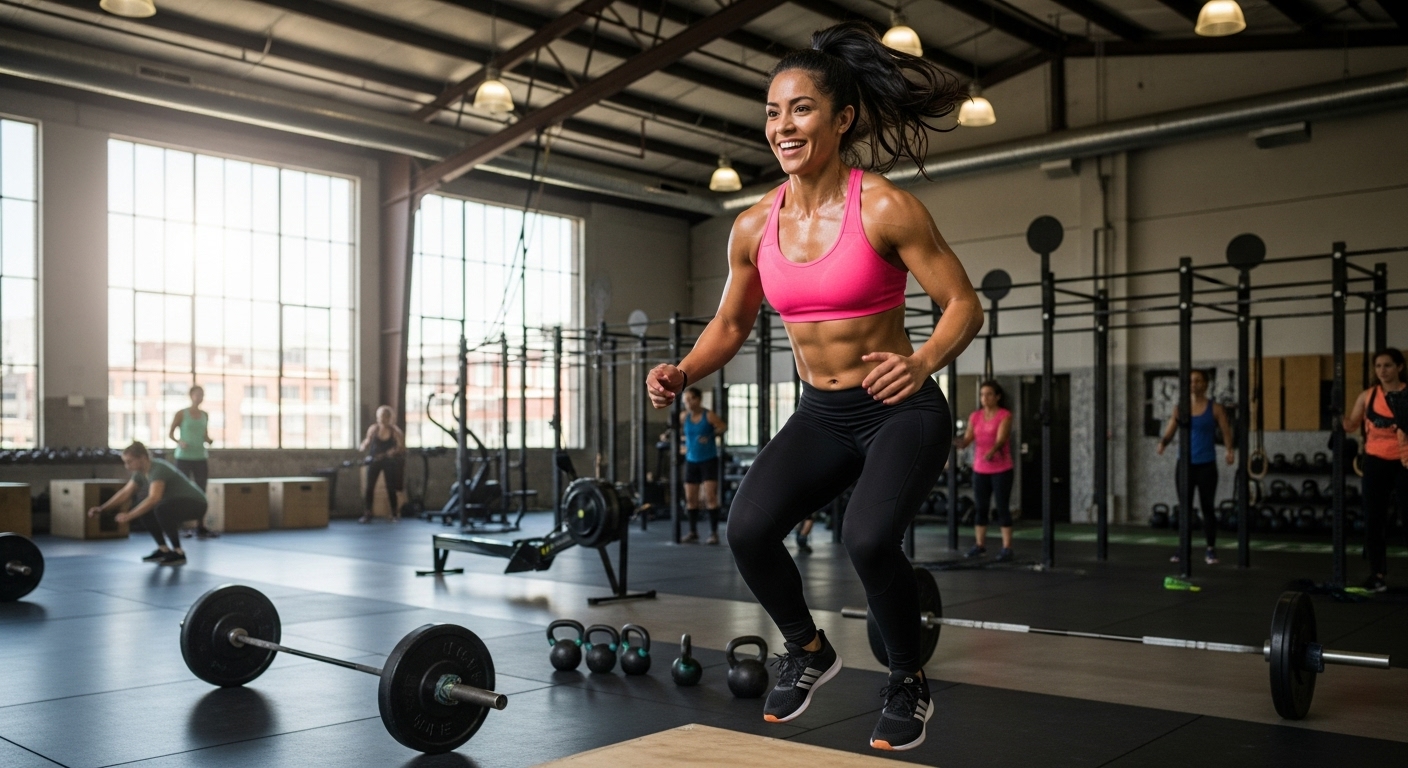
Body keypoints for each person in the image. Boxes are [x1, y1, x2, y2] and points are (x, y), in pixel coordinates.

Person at [647, 22, 981, 752]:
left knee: (867, 539)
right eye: (773, 111)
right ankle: (806, 649)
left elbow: (964, 303)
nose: (783, 126)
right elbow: (731, 325)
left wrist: (923, 361)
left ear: (841, 118)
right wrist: (684, 369)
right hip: (824, 414)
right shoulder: (753, 226)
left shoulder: (883, 207)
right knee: (747, 529)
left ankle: (906, 680)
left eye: (800, 109)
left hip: (901, 408)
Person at [1342, 348, 1408, 593]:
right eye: (1378, 366)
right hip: (1375, 461)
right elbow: (1351, 425)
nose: (1382, 370)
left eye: (1388, 365)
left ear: (1399, 367)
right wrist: (1338, 416)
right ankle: (1377, 575)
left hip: (1404, 462)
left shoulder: (1406, 395)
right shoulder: (1368, 396)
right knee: (1373, 518)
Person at [1156, 369, 1235, 565]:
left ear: (1206, 384)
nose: (1194, 384)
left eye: (1198, 380)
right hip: (1184, 465)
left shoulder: (1215, 408)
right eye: (1191, 381)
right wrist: (1163, 443)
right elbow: (1170, 429)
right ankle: (1183, 548)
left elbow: (1226, 430)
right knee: (1185, 509)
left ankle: (1210, 549)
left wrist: (1229, 450)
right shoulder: (1180, 408)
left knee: (1207, 508)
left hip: (1207, 465)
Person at [87, 441, 208, 565]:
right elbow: (125, 492)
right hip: (177, 504)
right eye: (125, 462)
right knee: (144, 508)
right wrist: (102, 509)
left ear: (143, 458)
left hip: (197, 504)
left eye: (130, 461)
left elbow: (154, 498)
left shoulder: (158, 468)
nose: (127, 466)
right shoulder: (140, 473)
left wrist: (129, 515)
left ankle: (178, 552)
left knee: (160, 508)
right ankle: (163, 549)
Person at [955, 380, 1014, 562]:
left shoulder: (1004, 415)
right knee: (981, 508)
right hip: (980, 469)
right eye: (982, 394)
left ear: (997, 397)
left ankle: (1006, 548)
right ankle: (980, 545)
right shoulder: (975, 416)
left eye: (989, 394)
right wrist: (953, 442)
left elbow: (1001, 438)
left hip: (1001, 469)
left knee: (1002, 508)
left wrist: (992, 451)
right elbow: (967, 440)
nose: (984, 398)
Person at [678, 387, 727, 544]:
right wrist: (683, 445)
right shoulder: (684, 417)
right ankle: (693, 532)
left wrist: (710, 435)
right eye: (686, 401)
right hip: (691, 460)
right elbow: (683, 434)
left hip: (708, 460)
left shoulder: (709, 415)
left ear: (698, 399)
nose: (688, 403)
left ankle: (713, 533)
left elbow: (723, 427)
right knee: (691, 498)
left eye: (691, 399)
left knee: (710, 497)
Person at [168, 384, 216, 539]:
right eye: (197, 395)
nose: (199, 397)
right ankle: (181, 525)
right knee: (181, 490)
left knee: (201, 491)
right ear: (191, 396)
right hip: (184, 457)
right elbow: (171, 433)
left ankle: (200, 526)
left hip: (200, 457)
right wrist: (179, 441)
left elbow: (205, 434)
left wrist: (209, 440)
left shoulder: (204, 415)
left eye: (202, 395)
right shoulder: (182, 413)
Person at [358, 406, 406, 523]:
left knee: (391, 487)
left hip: (389, 463)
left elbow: (401, 447)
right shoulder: (373, 429)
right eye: (379, 417)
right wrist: (363, 445)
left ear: (389, 418)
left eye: (384, 417)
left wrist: (393, 451)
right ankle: (368, 513)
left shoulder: (395, 432)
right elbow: (367, 441)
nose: (381, 419)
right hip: (374, 461)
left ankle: (394, 513)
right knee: (370, 487)